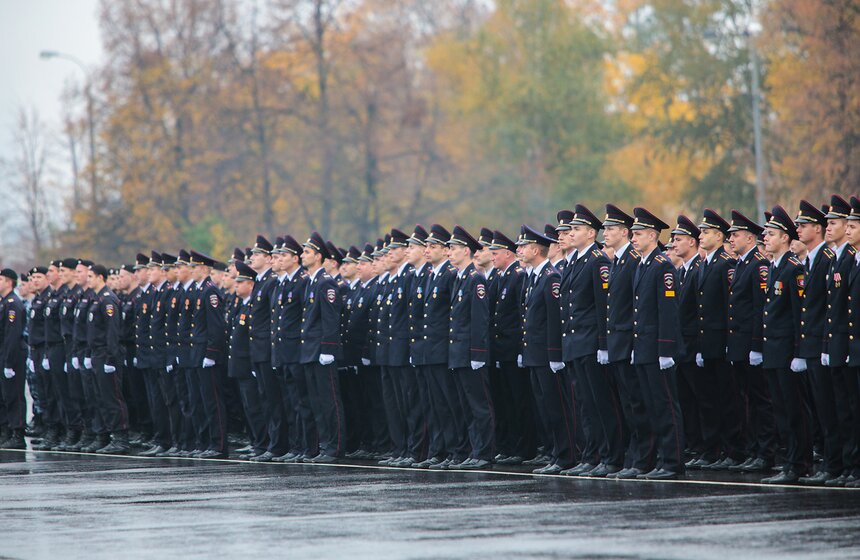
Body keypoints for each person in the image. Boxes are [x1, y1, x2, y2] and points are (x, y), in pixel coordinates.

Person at [629, 207, 684, 480]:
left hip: (657, 349)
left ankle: (673, 462)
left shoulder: (662, 266)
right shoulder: (643, 265)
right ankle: (660, 460)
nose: (633, 238)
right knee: (650, 406)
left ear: (653, 235)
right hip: (644, 348)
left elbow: (668, 311)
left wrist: (666, 349)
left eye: (638, 234)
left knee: (665, 406)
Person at [759, 205, 811, 484]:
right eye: (766, 234)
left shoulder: (793, 270)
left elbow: (798, 314)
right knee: (781, 409)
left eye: (771, 234)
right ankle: (790, 461)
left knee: (794, 410)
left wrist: (798, 353)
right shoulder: (773, 268)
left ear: (786, 239)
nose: (765, 238)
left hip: (787, 353)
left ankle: (799, 462)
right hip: (773, 352)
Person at [517, 224, 569, 474]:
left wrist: (554, 354)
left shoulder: (551, 278)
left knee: (556, 407)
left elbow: (553, 320)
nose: (520, 250)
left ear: (536, 249)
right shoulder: (533, 277)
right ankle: (554, 453)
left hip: (547, 355)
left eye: (524, 246)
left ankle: (565, 455)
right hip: (534, 355)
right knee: (545, 408)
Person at [447, 225, 495, 470]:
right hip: (458, 354)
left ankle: (484, 452)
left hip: (470, 353)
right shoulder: (460, 278)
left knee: (479, 405)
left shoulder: (475, 279)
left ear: (466, 251)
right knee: (466, 405)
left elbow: (479, 319)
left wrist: (477, 353)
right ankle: (472, 450)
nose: (449, 253)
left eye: (453, 249)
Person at [300, 232, 346, 463]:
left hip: (321, 351)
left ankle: (334, 447)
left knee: (330, 401)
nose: (302, 255)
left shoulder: (326, 282)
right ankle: (324, 444)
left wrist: (328, 349)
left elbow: (330, 319)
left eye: (307, 252)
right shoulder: (312, 282)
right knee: (317, 402)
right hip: (310, 350)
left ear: (318, 256)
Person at [85, 264, 129, 454]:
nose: (87, 279)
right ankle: (104, 435)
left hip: (106, 354)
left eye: (90, 275)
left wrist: (111, 358)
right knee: (100, 397)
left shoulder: (108, 299)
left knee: (112, 398)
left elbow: (113, 332)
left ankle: (121, 438)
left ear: (100, 277)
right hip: (97, 354)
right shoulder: (97, 299)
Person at [0, 269, 27, 449]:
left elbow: (12, 335)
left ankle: (17, 434)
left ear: (9, 282)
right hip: (4, 353)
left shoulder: (13, 304)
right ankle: (6, 430)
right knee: (4, 395)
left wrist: (9, 362)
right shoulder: (4, 303)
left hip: (13, 354)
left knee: (14, 395)